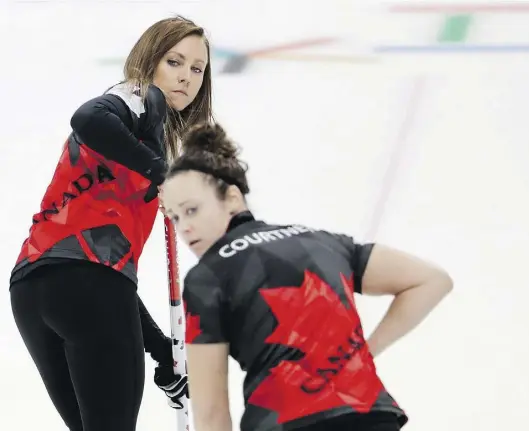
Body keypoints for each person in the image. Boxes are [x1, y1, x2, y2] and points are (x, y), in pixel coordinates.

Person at [159, 122, 454, 431]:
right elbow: (431, 280)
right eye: (175, 217)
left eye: (192, 210)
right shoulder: (322, 241)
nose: (184, 228)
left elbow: (210, 415)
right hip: (371, 414)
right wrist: (365, 352)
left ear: (232, 198)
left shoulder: (206, 278)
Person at [9, 15, 213, 431]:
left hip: (33, 288)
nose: (186, 77)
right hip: (85, 287)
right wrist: (161, 171)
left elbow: (105, 273)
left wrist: (160, 352)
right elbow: (86, 118)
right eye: (175, 62)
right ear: (150, 61)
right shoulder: (137, 97)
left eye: (197, 69)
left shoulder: (140, 136)